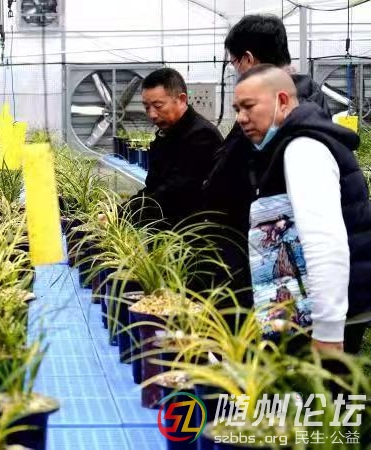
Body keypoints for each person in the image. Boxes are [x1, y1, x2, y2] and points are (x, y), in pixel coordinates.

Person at [233, 65, 371, 354]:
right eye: (237, 109)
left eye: (249, 106)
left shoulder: (303, 149)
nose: (240, 118)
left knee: (321, 384)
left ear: (282, 101)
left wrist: (328, 331)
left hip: (323, 319)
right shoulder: (291, 144)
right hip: (314, 308)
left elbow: (325, 242)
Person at [202, 15, 333, 307]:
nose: (243, 116)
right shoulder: (310, 101)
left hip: (269, 267)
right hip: (267, 259)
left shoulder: (281, 120)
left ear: (248, 60)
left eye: (234, 63)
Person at [123, 68, 223, 228]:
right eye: (147, 107)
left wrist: (123, 216)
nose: (152, 114)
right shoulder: (166, 134)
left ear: (181, 99)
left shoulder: (202, 136)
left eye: (158, 105)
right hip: (166, 231)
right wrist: (118, 212)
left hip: (188, 235)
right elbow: (153, 187)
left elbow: (173, 194)